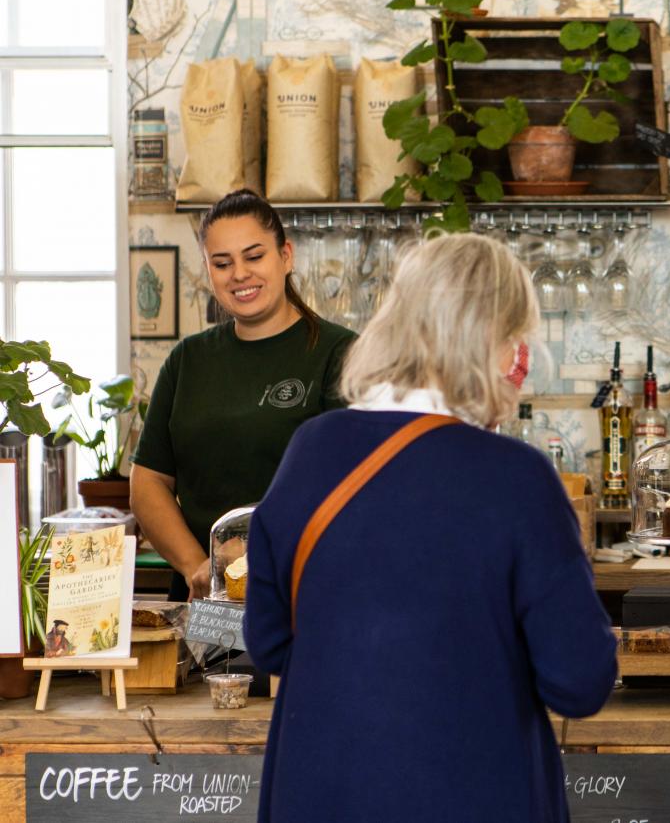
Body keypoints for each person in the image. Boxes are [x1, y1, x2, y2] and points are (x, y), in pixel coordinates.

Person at [244, 232, 616, 822]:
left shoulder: (309, 450)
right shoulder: (518, 478)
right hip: (476, 792)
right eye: (515, 339)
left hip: (320, 791)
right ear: (491, 343)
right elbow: (579, 680)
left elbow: (267, 644)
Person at [131, 190, 357, 600]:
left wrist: (255, 560)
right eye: (222, 263)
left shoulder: (340, 354)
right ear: (208, 270)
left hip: (304, 599)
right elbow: (148, 482)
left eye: (254, 257)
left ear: (285, 256)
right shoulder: (187, 360)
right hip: (206, 606)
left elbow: (350, 485)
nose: (239, 274)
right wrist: (197, 566)